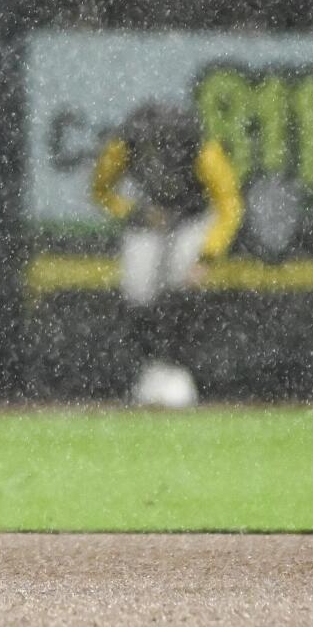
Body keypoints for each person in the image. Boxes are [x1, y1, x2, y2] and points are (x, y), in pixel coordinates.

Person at [90, 100, 244, 409]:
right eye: (151, 144)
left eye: (166, 143)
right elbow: (101, 190)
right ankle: (151, 369)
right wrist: (135, 212)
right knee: (138, 291)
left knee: (181, 285)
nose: (159, 152)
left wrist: (207, 257)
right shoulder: (125, 145)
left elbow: (229, 206)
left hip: (192, 218)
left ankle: (177, 370)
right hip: (150, 217)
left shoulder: (201, 149)